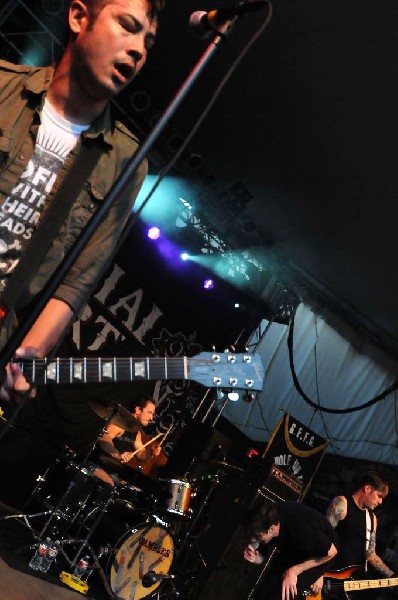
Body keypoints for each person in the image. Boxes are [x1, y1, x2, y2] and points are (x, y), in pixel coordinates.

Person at [0, 0, 164, 398]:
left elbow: (78, 280)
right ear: (78, 17)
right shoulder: (3, 88)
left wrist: (28, 355)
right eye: (127, 25)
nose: (139, 49)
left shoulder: (124, 162)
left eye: (148, 42)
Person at [243, 500, 338, 600]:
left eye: (258, 537)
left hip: (322, 553)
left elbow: (331, 552)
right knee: (263, 592)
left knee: (281, 594)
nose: (254, 540)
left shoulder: (300, 528)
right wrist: (256, 557)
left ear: (272, 529)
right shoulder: (265, 519)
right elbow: (261, 555)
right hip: (295, 550)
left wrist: (295, 571)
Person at [325, 471, 394, 596]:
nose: (380, 502)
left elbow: (371, 554)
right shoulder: (342, 503)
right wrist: (317, 573)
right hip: (328, 575)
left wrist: (392, 575)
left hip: (349, 584)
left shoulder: (372, 519)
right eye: (379, 496)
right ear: (367, 489)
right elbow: (322, 539)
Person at [92, 395, 165, 486]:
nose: (151, 418)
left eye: (152, 414)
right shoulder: (119, 423)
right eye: (149, 412)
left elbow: (142, 454)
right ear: (138, 410)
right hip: (99, 465)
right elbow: (104, 439)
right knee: (109, 484)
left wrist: (151, 452)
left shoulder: (136, 432)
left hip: (113, 471)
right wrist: (117, 455)